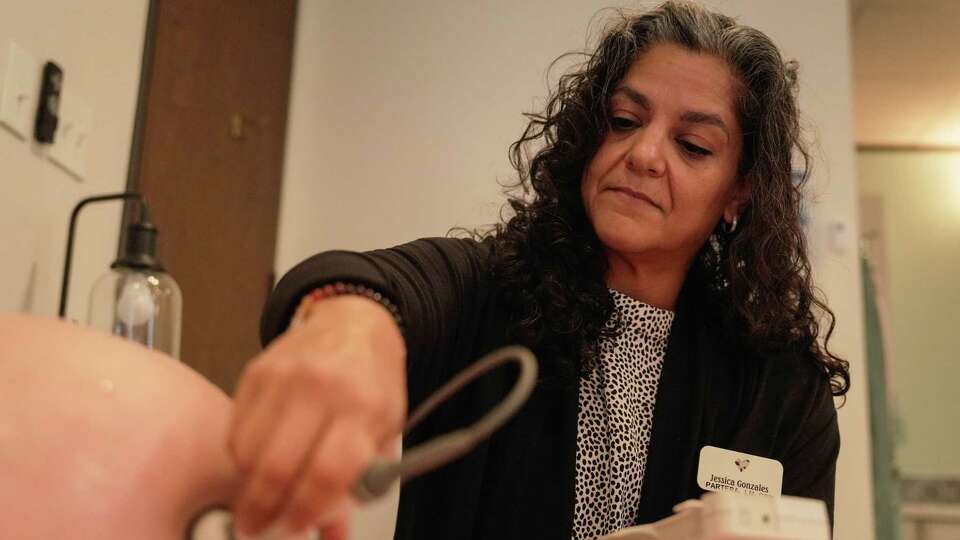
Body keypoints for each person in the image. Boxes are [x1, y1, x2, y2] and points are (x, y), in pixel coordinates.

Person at [229, 2, 851, 539]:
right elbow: (370, 284)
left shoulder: (780, 385)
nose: (643, 154)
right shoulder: (487, 289)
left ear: (739, 193)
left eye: (692, 146)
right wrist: (350, 330)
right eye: (625, 122)